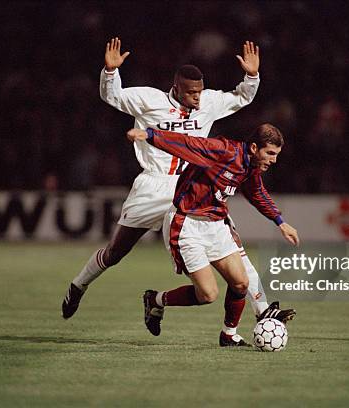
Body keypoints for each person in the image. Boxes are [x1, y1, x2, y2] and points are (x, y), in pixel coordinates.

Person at [61, 38, 294, 341]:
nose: (198, 98)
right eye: (191, 92)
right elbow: (113, 96)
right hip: (153, 184)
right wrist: (109, 71)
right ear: (176, 88)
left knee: (233, 244)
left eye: (200, 91)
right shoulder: (149, 100)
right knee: (116, 252)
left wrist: (251, 76)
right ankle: (79, 285)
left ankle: (262, 310)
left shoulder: (208, 102)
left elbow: (241, 98)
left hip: (193, 188)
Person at [126, 123, 299, 346]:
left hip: (216, 226)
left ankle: (229, 335)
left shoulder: (251, 167)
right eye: (271, 153)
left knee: (240, 283)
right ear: (255, 147)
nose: (274, 160)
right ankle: (155, 300)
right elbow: (187, 143)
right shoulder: (223, 150)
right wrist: (149, 135)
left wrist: (280, 221)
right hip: (187, 224)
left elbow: (256, 192)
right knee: (207, 295)